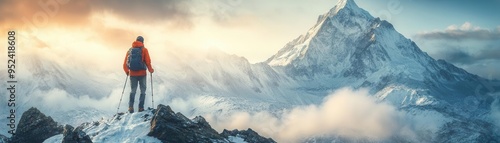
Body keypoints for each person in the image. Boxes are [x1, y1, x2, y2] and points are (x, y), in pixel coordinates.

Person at [123, 36, 154, 113]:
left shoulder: (129, 51)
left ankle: (130, 107)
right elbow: (148, 62)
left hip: (132, 74)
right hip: (142, 74)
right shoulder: (144, 50)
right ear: (142, 42)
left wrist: (127, 71)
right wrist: (151, 70)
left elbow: (125, 64)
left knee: (133, 90)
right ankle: (140, 108)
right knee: (142, 91)